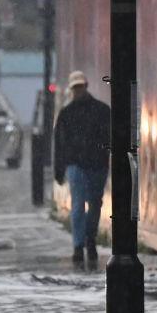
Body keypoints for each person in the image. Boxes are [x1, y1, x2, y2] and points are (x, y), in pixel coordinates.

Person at [53, 70, 110, 268]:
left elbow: (60, 144)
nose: (78, 90)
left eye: (79, 87)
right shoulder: (101, 111)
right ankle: (84, 243)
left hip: (86, 164)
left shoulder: (68, 114)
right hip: (88, 164)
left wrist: (59, 170)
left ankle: (84, 243)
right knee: (85, 204)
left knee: (89, 204)